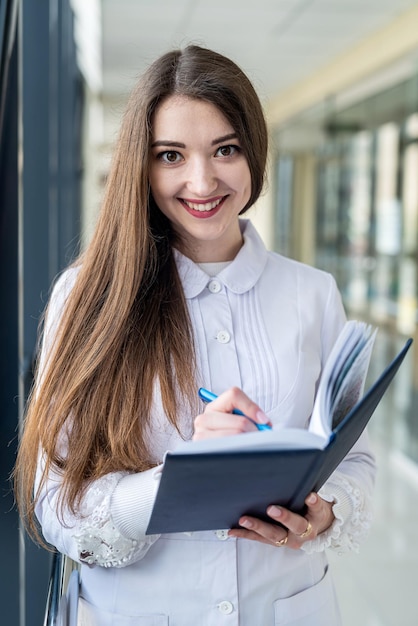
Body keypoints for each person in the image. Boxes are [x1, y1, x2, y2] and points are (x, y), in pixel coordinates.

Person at [15, 45, 375, 626]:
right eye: (171, 155)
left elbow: (355, 459)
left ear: (253, 153)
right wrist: (184, 477)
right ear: (142, 164)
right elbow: (56, 505)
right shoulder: (86, 296)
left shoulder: (314, 294)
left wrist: (325, 513)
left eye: (225, 149)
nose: (201, 180)